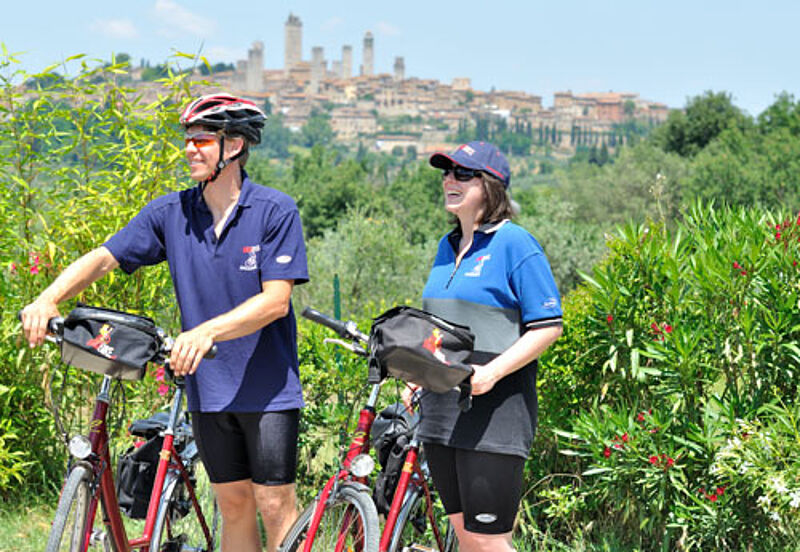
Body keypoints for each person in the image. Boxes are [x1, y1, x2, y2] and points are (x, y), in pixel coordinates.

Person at [21, 94, 308, 552]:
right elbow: (103, 258)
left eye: (202, 141)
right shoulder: (172, 213)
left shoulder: (274, 211)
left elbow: (275, 301)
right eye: (189, 140)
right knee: (233, 506)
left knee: (274, 507)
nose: (190, 149)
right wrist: (47, 297)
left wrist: (206, 331)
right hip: (207, 387)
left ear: (233, 146)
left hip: (268, 388)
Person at [407, 141, 563, 551]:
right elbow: (442, 326)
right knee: (466, 539)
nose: (448, 181)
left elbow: (548, 326)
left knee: (488, 542)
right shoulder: (447, 247)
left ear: (490, 186)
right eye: (446, 173)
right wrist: (419, 371)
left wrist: (491, 372)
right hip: (441, 415)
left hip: (495, 417)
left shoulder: (516, 244)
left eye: (461, 174)